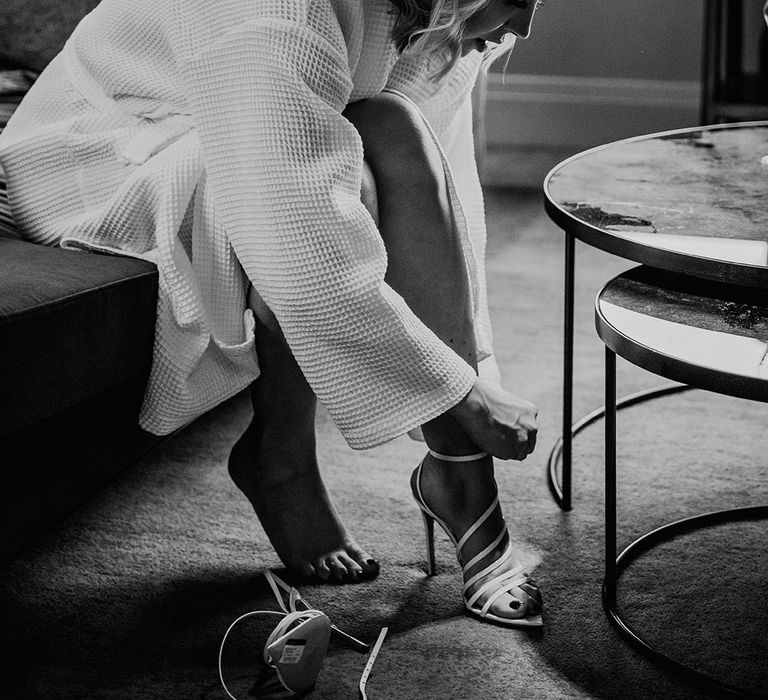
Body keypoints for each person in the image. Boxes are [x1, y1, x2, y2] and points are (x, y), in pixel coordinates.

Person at [0, 0, 543, 626]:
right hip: (93, 159)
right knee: (343, 188)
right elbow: (294, 220)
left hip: (223, 134)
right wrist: (459, 396)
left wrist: (474, 366)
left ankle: (459, 473)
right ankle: (281, 461)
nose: (524, 25)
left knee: (392, 123)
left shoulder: (439, 13)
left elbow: (440, 193)